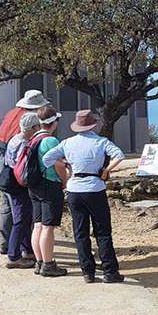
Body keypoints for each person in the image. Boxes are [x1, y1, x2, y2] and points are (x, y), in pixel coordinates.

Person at [43, 110, 126, 283]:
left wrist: (66, 164)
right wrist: (106, 170)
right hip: (95, 187)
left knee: (80, 232)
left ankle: (87, 272)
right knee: (103, 232)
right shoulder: (101, 141)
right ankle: (110, 271)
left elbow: (47, 159)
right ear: (93, 125)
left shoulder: (67, 143)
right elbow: (119, 155)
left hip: (75, 188)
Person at [0, 89, 50, 255]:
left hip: (4, 158)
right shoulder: (32, 120)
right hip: (19, 162)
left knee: (7, 204)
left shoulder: (11, 113)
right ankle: (23, 248)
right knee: (24, 207)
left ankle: (6, 244)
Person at [29, 105, 68, 277]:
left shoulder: (33, 139)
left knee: (37, 225)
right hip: (49, 184)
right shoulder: (51, 141)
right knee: (48, 227)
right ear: (53, 122)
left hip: (35, 184)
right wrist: (64, 180)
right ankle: (48, 264)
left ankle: (39, 262)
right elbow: (58, 164)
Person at [3, 112, 40, 269]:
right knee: (21, 218)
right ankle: (14, 256)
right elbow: (21, 167)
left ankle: (27, 249)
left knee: (25, 216)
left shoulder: (15, 139)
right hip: (18, 184)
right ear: (33, 127)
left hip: (12, 182)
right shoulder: (23, 143)